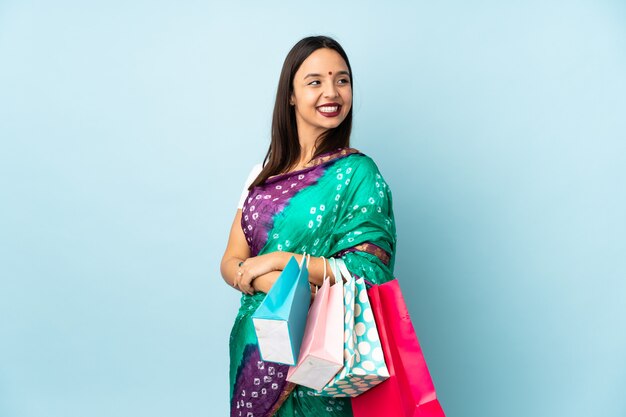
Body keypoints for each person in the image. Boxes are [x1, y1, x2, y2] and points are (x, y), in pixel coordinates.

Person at [220, 35, 397, 417]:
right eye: (315, 81)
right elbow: (232, 260)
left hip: (320, 358)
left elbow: (372, 269)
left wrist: (281, 261)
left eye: (342, 80)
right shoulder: (263, 176)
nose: (331, 92)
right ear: (291, 95)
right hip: (255, 348)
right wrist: (271, 283)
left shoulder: (358, 174)